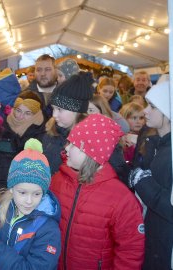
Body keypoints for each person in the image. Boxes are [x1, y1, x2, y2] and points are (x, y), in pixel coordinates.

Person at [50, 114, 145, 270]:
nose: (66, 148)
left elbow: (130, 251)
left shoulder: (121, 199)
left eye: (73, 145)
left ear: (91, 152)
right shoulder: (57, 181)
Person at [0, 140, 61, 270]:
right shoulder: (4, 207)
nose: (29, 201)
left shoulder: (48, 230)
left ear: (44, 193)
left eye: (36, 194)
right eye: (22, 192)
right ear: (11, 189)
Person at [129, 80, 173, 270]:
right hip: (154, 238)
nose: (145, 111)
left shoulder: (170, 151)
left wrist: (143, 182)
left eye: (152, 106)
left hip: (165, 248)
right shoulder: (157, 143)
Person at [42, 73, 92, 175]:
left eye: (60, 109)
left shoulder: (89, 141)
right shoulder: (51, 132)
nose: (54, 115)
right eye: (53, 109)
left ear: (77, 111)